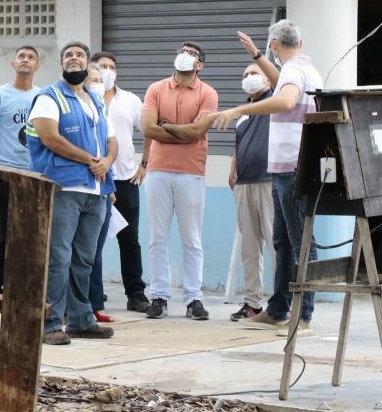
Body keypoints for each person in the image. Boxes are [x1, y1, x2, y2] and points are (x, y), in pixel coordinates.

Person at [214, 20, 323, 336]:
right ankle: (277, 310)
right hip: (285, 167)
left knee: (300, 241)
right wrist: (258, 56)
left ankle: (302, 316)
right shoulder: (303, 68)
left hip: (292, 166)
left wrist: (238, 111)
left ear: (276, 45)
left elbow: (286, 99)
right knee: (284, 242)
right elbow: (282, 85)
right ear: (299, 41)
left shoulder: (293, 71)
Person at [27, 41, 117, 345]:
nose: (74, 58)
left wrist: (106, 161)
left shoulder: (96, 99)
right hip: (64, 187)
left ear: (88, 63)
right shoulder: (49, 97)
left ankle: (81, 320)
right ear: (62, 64)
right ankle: (50, 323)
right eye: (69, 55)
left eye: (80, 55)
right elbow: (49, 137)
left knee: (84, 259)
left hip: (97, 190)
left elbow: (112, 139)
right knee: (58, 258)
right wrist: (91, 160)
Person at [141, 41, 217, 320]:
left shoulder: (208, 93)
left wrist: (167, 127)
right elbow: (148, 128)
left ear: (200, 65)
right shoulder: (156, 89)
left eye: (192, 54)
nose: (185, 57)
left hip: (191, 172)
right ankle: (158, 296)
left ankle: (193, 298)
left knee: (192, 239)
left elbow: (197, 131)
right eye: (181, 52)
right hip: (158, 171)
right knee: (157, 238)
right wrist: (182, 132)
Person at [91, 51, 152, 314]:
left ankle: (135, 293)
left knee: (130, 238)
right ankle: (94, 293)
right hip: (95, 178)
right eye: (102, 66)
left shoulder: (130, 100)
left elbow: (149, 130)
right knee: (91, 240)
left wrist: (144, 163)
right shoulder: (85, 99)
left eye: (111, 66)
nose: (107, 71)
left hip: (126, 178)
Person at [0, 46, 41, 296]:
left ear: (37, 65)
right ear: (12, 63)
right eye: (21, 57)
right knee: (1, 234)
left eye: (31, 57)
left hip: (34, 175)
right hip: (5, 172)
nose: (25, 60)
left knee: (31, 232)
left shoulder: (43, 96)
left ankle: (23, 284)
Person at [228, 63, 276, 321]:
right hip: (244, 183)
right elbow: (241, 146)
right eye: (245, 74)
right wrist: (233, 168)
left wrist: (258, 55)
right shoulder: (244, 113)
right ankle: (252, 302)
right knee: (249, 247)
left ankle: (282, 301)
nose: (248, 78)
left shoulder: (275, 103)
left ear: (269, 81)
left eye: (254, 73)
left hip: (269, 182)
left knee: (275, 244)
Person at [83, 61, 116, 322]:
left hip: (103, 187)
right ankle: (74, 307)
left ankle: (94, 304)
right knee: (76, 252)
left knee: (95, 251)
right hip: (80, 185)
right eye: (92, 79)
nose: (97, 83)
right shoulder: (71, 107)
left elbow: (109, 146)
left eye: (98, 79)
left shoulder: (102, 110)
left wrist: (109, 183)